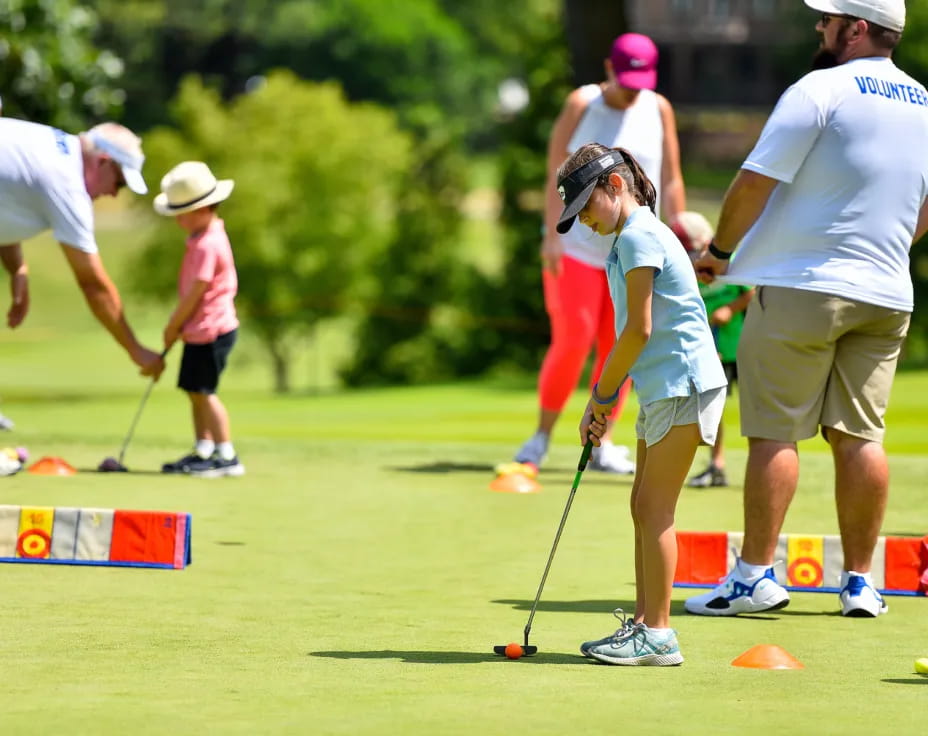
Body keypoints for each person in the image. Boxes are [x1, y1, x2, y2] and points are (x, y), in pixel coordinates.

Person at [685, 0, 928, 619]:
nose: (819, 27)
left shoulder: (820, 88)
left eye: (828, 19)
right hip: (886, 294)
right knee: (860, 438)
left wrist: (718, 252)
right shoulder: (924, 101)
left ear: (859, 28)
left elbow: (754, 182)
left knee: (773, 433)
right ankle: (859, 585)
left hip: (802, 288)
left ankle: (754, 578)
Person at [555, 143, 726, 665]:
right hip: (663, 386)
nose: (583, 220)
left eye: (586, 205)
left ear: (614, 186)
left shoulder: (639, 236)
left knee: (655, 509)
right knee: (641, 507)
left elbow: (638, 330)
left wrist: (601, 398)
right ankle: (643, 625)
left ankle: (660, 633)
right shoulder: (632, 236)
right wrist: (604, 399)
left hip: (684, 382)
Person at [512, 32, 686, 475]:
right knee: (573, 338)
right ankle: (541, 436)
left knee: (620, 344)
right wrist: (551, 234)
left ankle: (602, 441)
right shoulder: (581, 104)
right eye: (625, 79)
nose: (632, 90)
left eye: (640, 82)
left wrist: (680, 232)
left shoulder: (658, 108)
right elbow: (556, 169)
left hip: (630, 250)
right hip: (574, 247)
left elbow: (670, 178)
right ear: (609, 68)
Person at [0, 119, 164, 385]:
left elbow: (6, 198)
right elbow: (93, 285)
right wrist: (136, 350)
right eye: (119, 183)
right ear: (103, 161)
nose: (113, 194)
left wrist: (17, 268)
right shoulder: (68, 185)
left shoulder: (49, 143)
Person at [154, 161, 244, 478]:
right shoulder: (202, 236)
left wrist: (172, 325)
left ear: (205, 207)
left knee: (205, 392)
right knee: (194, 391)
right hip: (200, 330)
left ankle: (227, 455)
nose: (179, 219)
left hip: (211, 330)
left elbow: (195, 293)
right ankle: (203, 450)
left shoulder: (208, 244)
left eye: (184, 212)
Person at [671, 212, 754, 488]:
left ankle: (763, 465)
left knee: (757, 409)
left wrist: (729, 309)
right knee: (711, 408)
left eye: (694, 250)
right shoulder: (685, 270)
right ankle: (716, 465)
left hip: (740, 345)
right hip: (711, 351)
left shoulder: (728, 261)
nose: (693, 257)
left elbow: (751, 291)